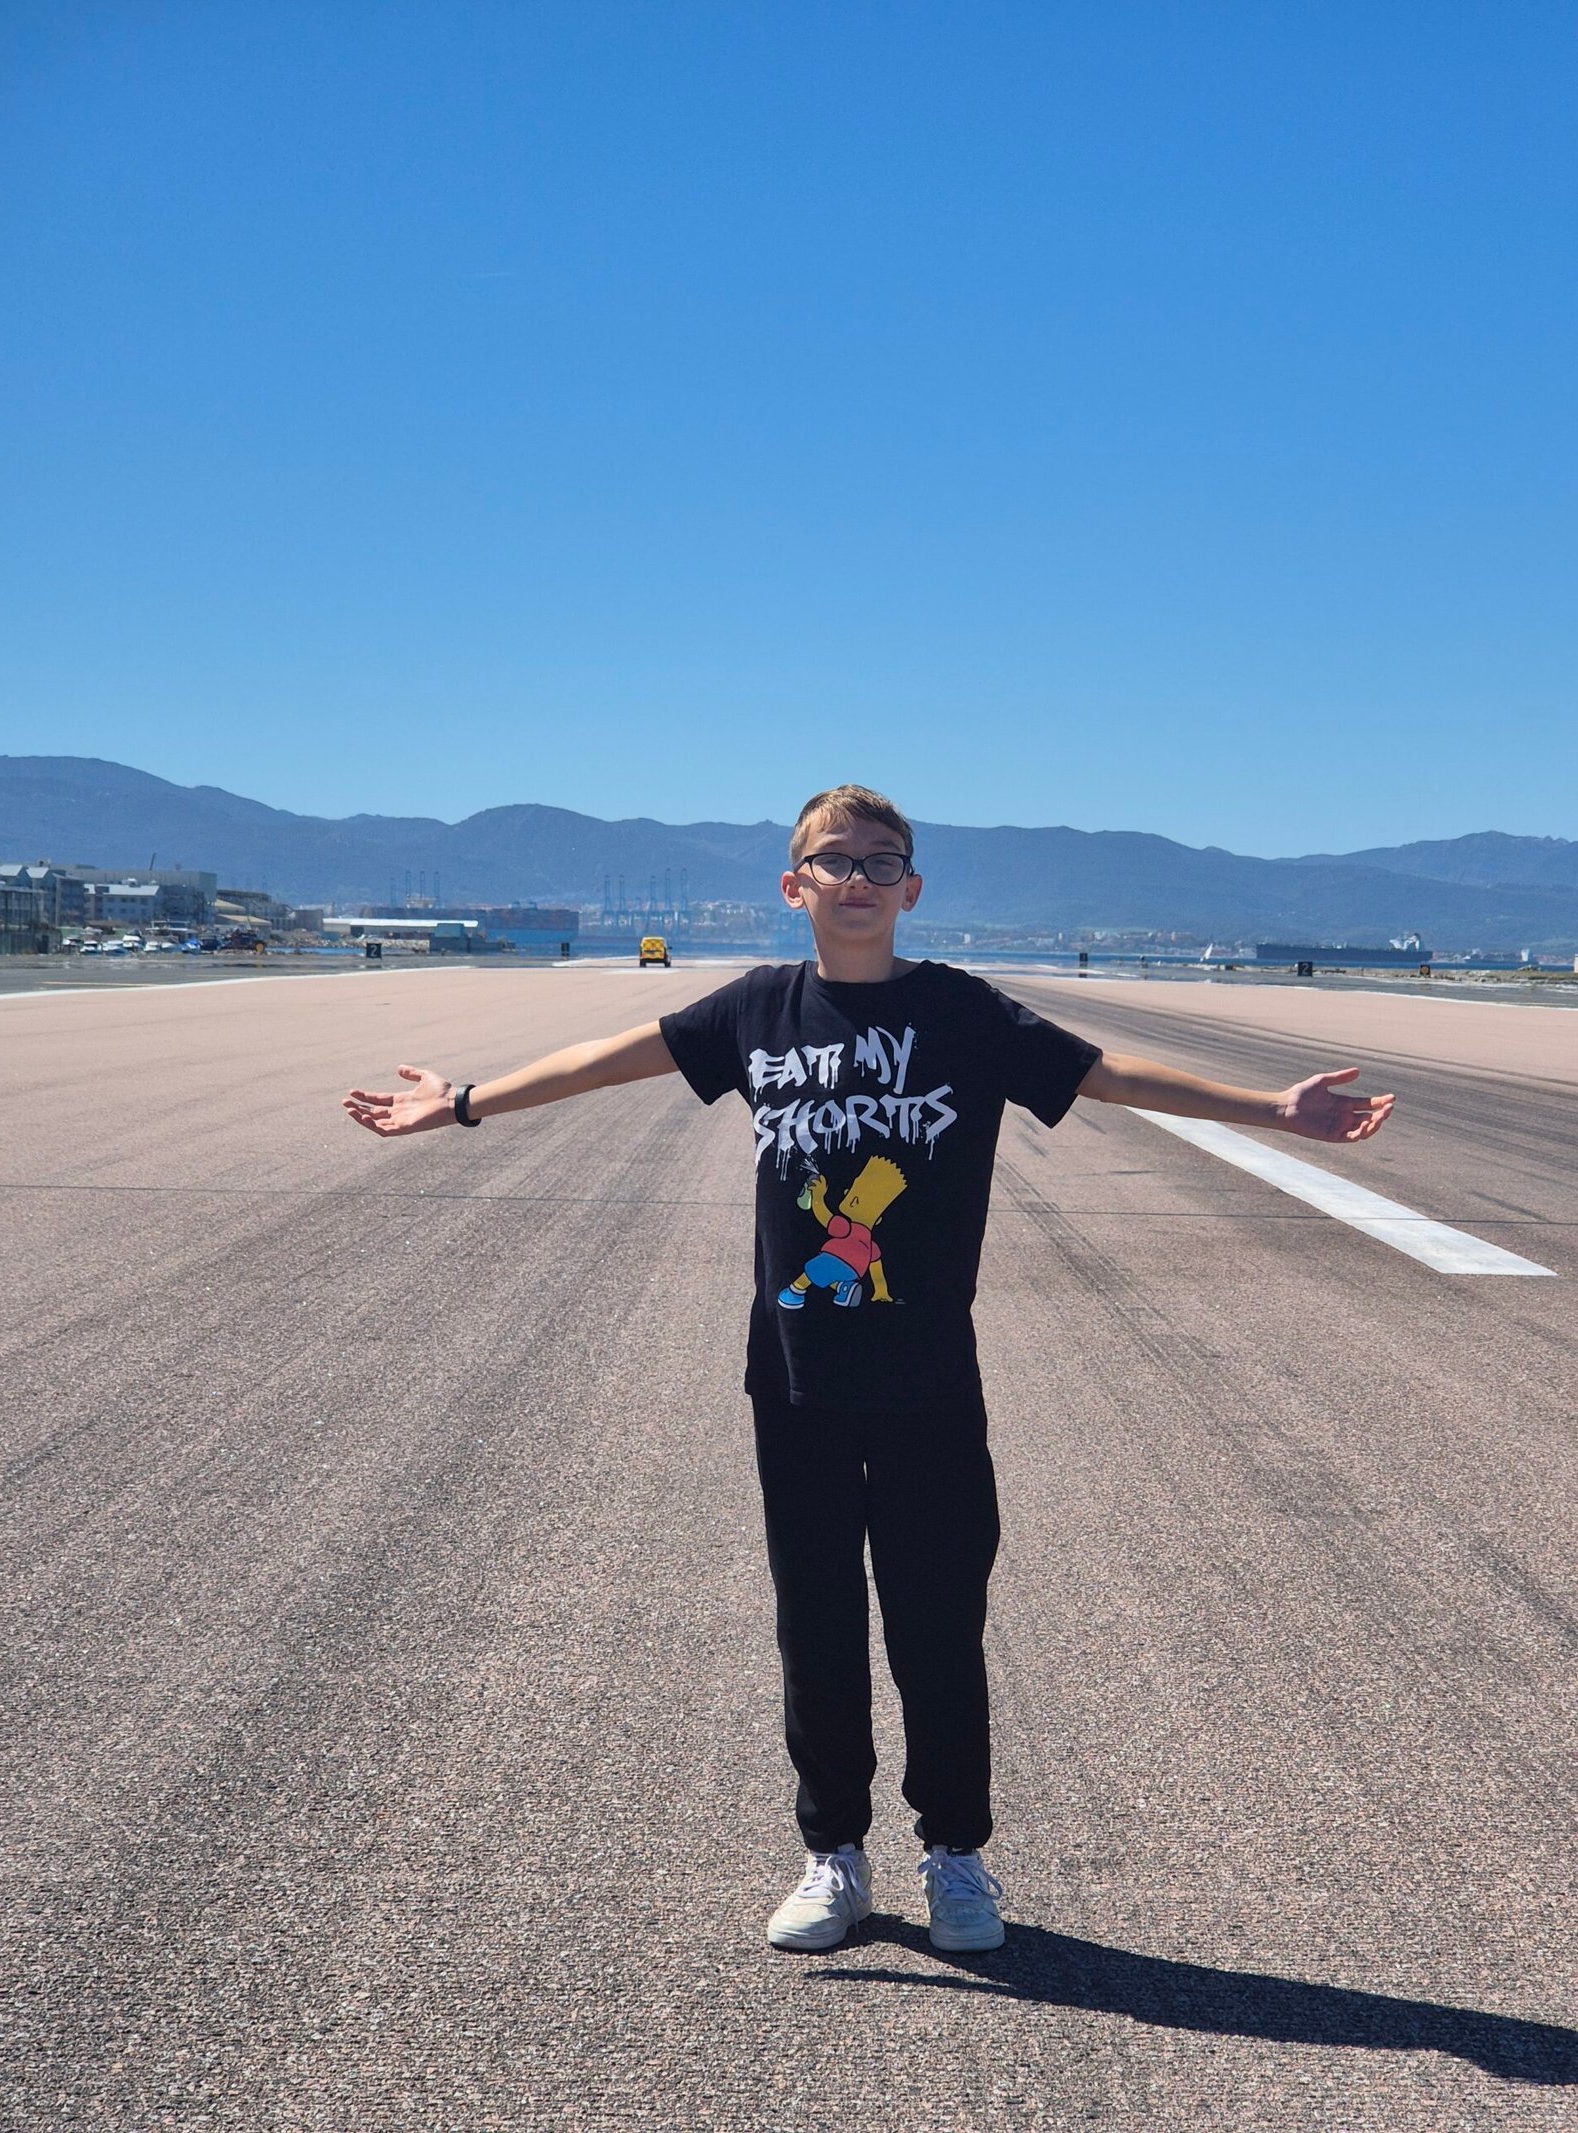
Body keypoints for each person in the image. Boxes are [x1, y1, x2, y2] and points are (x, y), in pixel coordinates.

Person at [343, 783, 1394, 1956]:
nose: (856, 880)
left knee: (937, 1625)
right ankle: (833, 1855)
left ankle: (955, 1857)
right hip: (792, 1378)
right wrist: (468, 1102)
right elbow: (608, 1060)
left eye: (879, 862)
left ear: (912, 888)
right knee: (818, 1628)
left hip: (929, 1382)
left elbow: (1105, 1074)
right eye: (832, 863)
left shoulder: (963, 1014)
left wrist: (1272, 1108)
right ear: (793, 888)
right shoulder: (756, 1010)